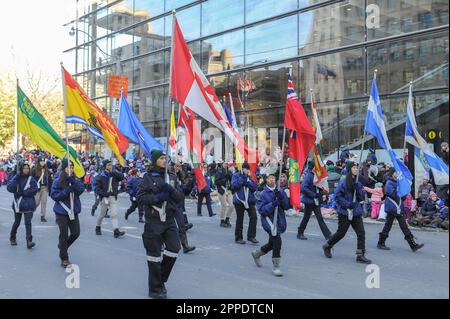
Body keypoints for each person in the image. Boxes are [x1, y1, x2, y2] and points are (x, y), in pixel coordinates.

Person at [137, 150, 183, 299]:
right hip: (154, 220)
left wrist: (170, 190)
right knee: (154, 256)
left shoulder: (172, 177)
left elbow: (180, 198)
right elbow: (141, 197)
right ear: (155, 160)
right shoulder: (148, 178)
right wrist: (158, 197)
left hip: (169, 220)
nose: (165, 160)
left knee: (175, 248)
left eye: (166, 158)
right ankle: (154, 289)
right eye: (161, 158)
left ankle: (160, 279)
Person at [322, 161, 372, 264]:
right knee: (341, 233)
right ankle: (327, 245)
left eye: (357, 168)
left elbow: (361, 197)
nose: (356, 169)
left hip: (356, 211)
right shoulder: (344, 182)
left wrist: (358, 188)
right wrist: (347, 204)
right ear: (349, 170)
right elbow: (337, 196)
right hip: (345, 212)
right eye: (354, 168)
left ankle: (360, 255)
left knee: (361, 232)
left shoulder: (358, 181)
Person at [377, 168, 424, 252]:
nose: (397, 173)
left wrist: (404, 192)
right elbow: (390, 193)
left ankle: (412, 245)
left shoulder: (398, 182)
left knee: (403, 226)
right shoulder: (389, 182)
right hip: (392, 207)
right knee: (388, 226)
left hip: (398, 207)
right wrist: (399, 190)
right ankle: (381, 243)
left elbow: (403, 197)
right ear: (392, 173)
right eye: (395, 172)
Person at [252, 173, 290, 277]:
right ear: (266, 180)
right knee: (277, 241)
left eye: (273, 178)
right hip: (269, 221)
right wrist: (273, 204)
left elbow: (286, 207)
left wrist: (282, 197)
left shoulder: (280, 191)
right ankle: (276, 266)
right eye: (270, 178)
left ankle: (257, 253)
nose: (272, 180)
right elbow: (262, 210)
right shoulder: (263, 194)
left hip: (279, 221)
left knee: (271, 244)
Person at [50, 159, 84, 268]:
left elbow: (80, 190)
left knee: (76, 233)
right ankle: (64, 258)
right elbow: (54, 195)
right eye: (69, 167)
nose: (71, 169)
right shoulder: (57, 180)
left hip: (73, 211)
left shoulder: (74, 179)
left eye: (72, 167)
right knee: (63, 235)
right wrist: (65, 192)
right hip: (62, 211)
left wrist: (73, 182)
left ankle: (62, 246)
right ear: (64, 169)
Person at [297, 161, 331, 240]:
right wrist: (313, 194)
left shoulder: (317, 176)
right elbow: (303, 187)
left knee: (319, 218)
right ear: (313, 168)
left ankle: (328, 235)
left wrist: (323, 193)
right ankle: (300, 232)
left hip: (316, 200)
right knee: (306, 217)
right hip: (309, 201)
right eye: (316, 166)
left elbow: (319, 188)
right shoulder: (309, 176)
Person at [7, 161, 39, 248]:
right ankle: (12, 237)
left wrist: (25, 192)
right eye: (24, 168)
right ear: (21, 169)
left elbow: (35, 190)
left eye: (27, 168)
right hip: (18, 204)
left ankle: (29, 241)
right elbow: (9, 188)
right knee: (17, 222)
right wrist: (16, 178)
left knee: (28, 222)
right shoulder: (16, 178)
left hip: (28, 204)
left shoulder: (31, 179)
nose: (26, 170)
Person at [94, 159, 126, 238]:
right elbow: (97, 189)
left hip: (113, 197)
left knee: (114, 214)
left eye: (111, 165)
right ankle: (98, 227)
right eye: (109, 165)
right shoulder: (100, 177)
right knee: (102, 214)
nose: (110, 166)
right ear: (104, 166)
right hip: (105, 197)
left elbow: (122, 177)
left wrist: (116, 171)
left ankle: (116, 231)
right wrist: (105, 194)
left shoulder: (113, 174)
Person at [231, 161, 259, 244]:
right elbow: (234, 186)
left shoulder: (249, 177)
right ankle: (238, 237)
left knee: (254, 217)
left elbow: (255, 187)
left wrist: (248, 182)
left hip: (249, 200)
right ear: (242, 169)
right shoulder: (236, 175)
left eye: (248, 169)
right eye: (246, 169)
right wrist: (242, 180)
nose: (247, 171)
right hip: (239, 200)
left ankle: (251, 236)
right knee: (240, 219)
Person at [215, 162, 233, 228]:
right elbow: (216, 182)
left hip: (228, 190)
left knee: (231, 205)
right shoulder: (219, 172)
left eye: (227, 163)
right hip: (221, 190)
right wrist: (224, 179)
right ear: (222, 164)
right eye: (224, 163)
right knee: (224, 205)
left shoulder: (229, 172)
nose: (226, 165)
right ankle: (222, 221)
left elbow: (232, 181)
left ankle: (227, 219)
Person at [32, 156, 50, 222]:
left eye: (43, 161)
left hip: (44, 188)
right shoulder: (34, 170)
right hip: (37, 189)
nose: (42, 162)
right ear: (38, 162)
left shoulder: (46, 169)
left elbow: (49, 179)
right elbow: (31, 179)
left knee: (44, 202)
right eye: (41, 161)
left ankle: (43, 216)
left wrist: (49, 189)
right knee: (36, 202)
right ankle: (30, 212)